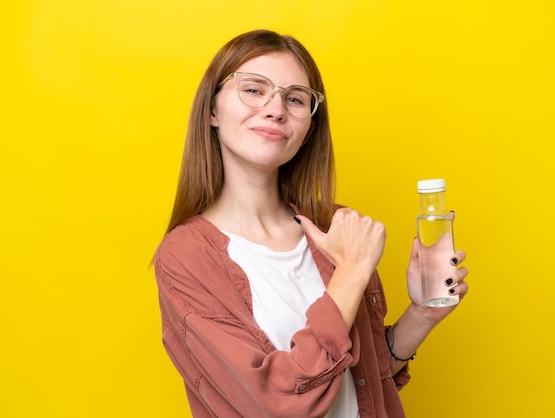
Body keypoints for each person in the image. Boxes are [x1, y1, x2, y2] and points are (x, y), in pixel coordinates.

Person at [154, 29, 469, 418]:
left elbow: (363, 374)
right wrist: (352, 271)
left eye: (295, 99)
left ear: (307, 130)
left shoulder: (337, 226)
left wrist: (422, 314)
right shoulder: (185, 258)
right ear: (212, 110)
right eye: (254, 90)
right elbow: (275, 404)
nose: (275, 109)